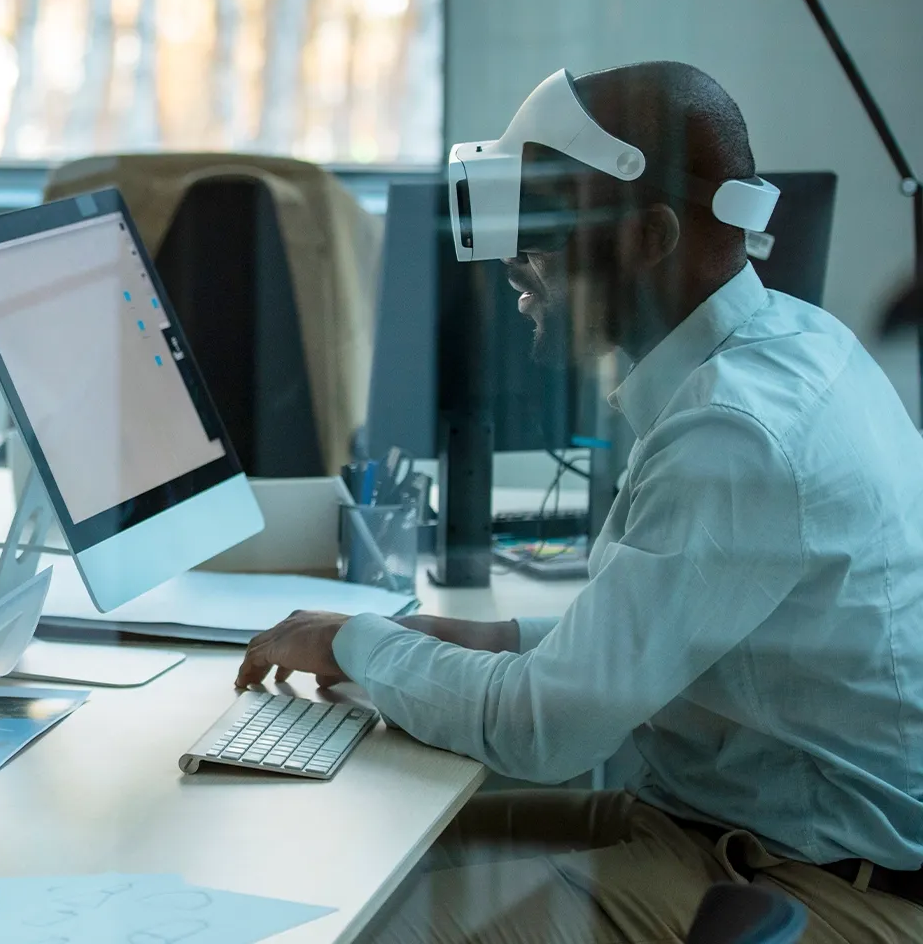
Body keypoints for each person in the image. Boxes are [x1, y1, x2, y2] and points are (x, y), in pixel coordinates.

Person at [236, 63, 923, 941]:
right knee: (353, 864)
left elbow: (545, 733)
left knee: (364, 923)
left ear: (649, 236)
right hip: (729, 837)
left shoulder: (733, 432)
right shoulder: (792, 346)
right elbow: (665, 634)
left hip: (809, 886)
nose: (519, 260)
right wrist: (490, 638)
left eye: (545, 225)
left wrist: (354, 642)